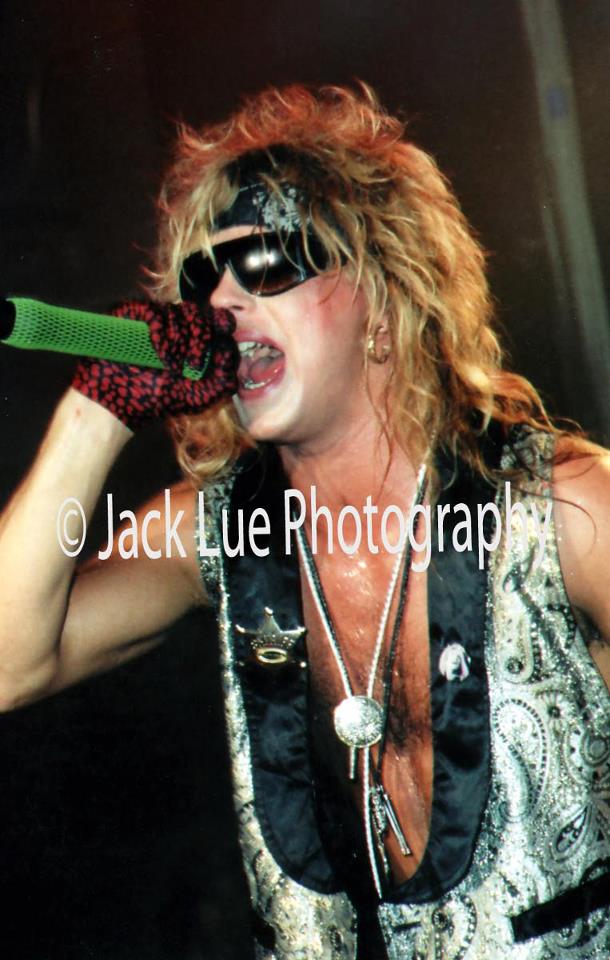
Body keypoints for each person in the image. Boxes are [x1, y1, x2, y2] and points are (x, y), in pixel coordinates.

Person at [0, 83, 609, 959]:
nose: (222, 301)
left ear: (383, 291)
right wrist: (95, 410)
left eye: (266, 263)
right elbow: (10, 664)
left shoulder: (566, 512)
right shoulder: (213, 530)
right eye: (203, 278)